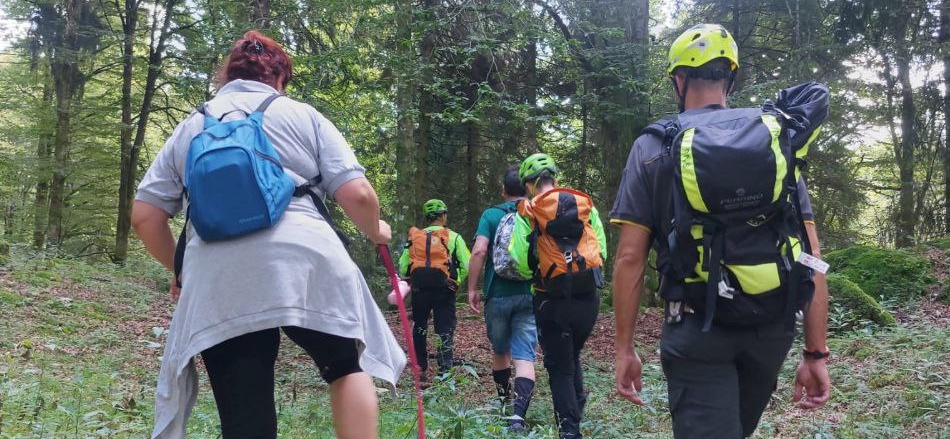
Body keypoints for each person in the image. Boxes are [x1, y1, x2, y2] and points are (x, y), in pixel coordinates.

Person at [132, 30, 406, 439]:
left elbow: (145, 216)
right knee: (346, 367)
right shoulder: (301, 114)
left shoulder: (190, 128)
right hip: (309, 262)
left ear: (226, 77)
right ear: (279, 79)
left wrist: (181, 269)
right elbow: (359, 194)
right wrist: (376, 230)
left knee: (244, 405)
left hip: (219, 275)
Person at [610, 23, 831, 439]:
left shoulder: (654, 145)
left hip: (697, 331)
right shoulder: (774, 140)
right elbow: (809, 253)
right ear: (731, 75)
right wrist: (816, 352)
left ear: (679, 79)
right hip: (771, 326)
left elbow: (630, 258)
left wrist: (625, 349)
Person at [515, 153, 607, 439]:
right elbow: (601, 250)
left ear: (529, 185)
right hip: (587, 296)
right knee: (571, 354)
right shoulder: (583, 205)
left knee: (560, 367)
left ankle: (569, 431)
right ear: (554, 178)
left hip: (549, 299)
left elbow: (518, 261)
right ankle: (576, 405)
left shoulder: (529, 212)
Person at [466, 165, 537, 432]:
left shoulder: (491, 215)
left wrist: (472, 288)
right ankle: (518, 417)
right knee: (525, 357)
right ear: (528, 188)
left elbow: (479, 251)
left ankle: (503, 405)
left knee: (500, 351)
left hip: (497, 295)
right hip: (530, 294)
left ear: (504, 190)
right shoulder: (536, 212)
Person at [399, 199, 471, 383]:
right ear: (443, 215)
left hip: (420, 289)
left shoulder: (415, 237)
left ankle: (420, 368)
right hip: (444, 289)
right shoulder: (453, 237)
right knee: (444, 328)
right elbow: (466, 264)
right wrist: (456, 281)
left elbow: (402, 267)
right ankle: (444, 370)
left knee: (420, 326)